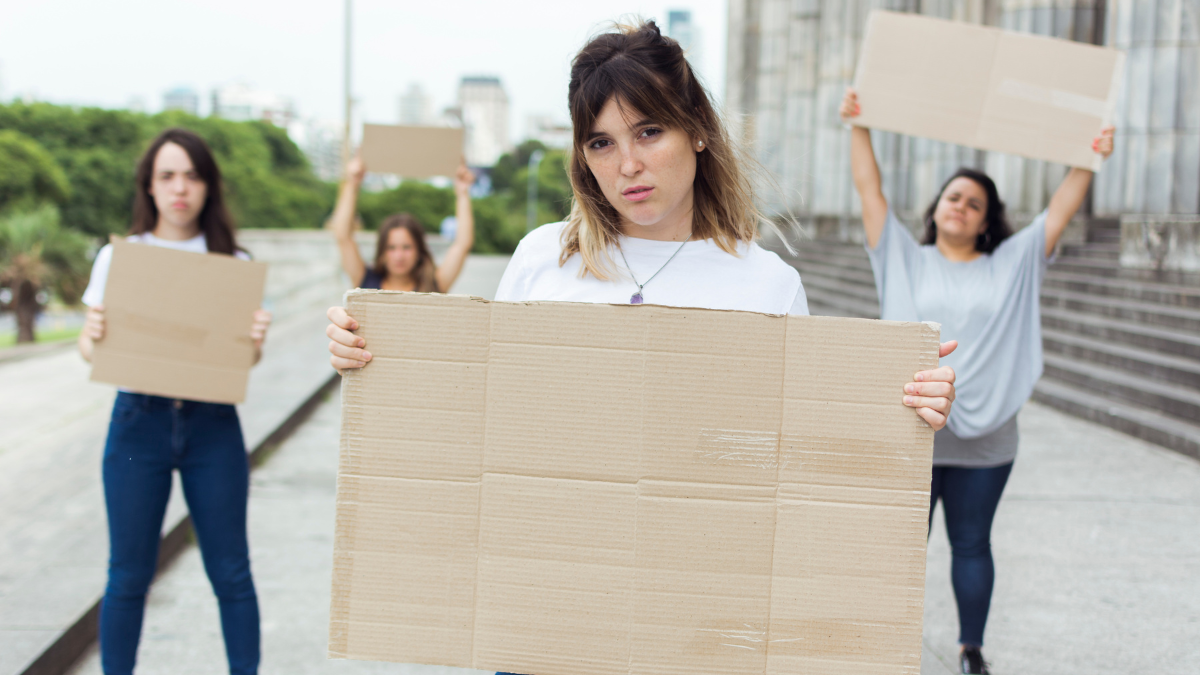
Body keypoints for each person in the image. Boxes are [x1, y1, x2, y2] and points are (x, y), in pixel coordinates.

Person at [326, 23, 959, 674]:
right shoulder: (545, 258)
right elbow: (479, 407)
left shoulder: (765, 283)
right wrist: (370, 351)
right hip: (544, 615)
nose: (626, 165)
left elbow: (799, 460)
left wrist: (904, 403)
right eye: (601, 142)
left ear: (698, 130)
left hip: (689, 627)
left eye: (648, 131)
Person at [840, 87, 1115, 674]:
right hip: (911, 427)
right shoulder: (900, 256)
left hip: (988, 436)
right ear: (937, 205)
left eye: (974, 203)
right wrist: (858, 123)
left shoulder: (1013, 262)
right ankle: (881, 649)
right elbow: (870, 187)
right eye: (953, 195)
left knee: (971, 544)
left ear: (988, 222)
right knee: (899, 553)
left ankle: (971, 652)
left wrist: (1091, 154)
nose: (960, 206)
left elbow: (1062, 206)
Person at [78, 128, 271, 675]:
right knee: (127, 575)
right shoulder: (123, 258)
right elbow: (90, 350)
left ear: (208, 185)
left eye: (192, 174)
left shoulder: (233, 261)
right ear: (149, 186)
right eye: (167, 175)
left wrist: (251, 345)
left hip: (213, 426)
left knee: (231, 571)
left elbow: (244, 364)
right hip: (139, 421)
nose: (179, 187)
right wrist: (92, 331)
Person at [328, 154, 476, 291]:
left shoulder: (434, 284)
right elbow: (343, 237)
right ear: (382, 252)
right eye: (391, 248)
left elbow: (462, 245)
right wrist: (352, 184)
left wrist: (463, 192)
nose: (399, 256)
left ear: (419, 250)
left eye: (407, 247)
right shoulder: (366, 280)